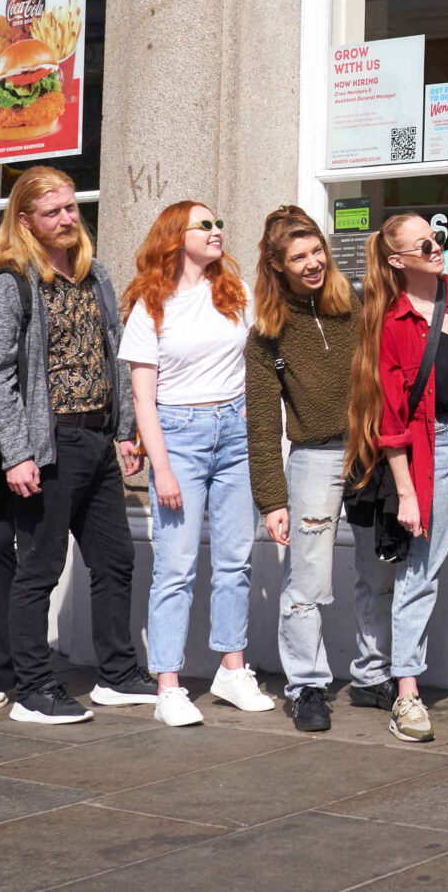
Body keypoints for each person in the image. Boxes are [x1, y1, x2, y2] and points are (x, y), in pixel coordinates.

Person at [0, 167, 153, 724]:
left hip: (98, 437)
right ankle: (32, 689)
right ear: (24, 220)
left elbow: (113, 355)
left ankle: (118, 674)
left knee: (116, 559)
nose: (68, 219)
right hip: (48, 443)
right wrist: (17, 451)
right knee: (41, 566)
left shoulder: (95, 275)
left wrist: (125, 431)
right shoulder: (11, 285)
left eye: (71, 208)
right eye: (53, 212)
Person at [358, 210, 448, 744]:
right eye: (422, 245)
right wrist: (405, 492)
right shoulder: (392, 321)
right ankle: (407, 693)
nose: (435, 247)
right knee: (422, 567)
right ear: (397, 260)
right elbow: (392, 421)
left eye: (437, 238)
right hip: (433, 447)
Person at [123, 199, 270, 725]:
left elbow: (261, 361)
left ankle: (232, 668)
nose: (216, 231)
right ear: (173, 235)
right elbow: (143, 397)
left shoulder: (236, 295)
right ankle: (169, 683)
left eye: (219, 223)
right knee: (176, 567)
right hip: (179, 436)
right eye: (204, 224)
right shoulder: (151, 306)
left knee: (235, 559)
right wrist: (159, 467)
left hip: (234, 433)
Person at [245, 206, 372, 732]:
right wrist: (271, 499)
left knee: (378, 569)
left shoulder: (357, 306)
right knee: (308, 580)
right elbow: (260, 424)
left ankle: (374, 674)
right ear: (277, 266)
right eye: (299, 256)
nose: (314, 262)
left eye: (317, 249)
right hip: (314, 461)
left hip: (369, 454)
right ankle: (306, 686)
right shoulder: (267, 334)